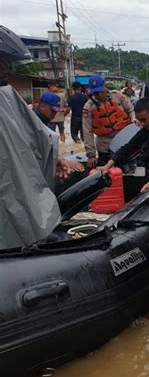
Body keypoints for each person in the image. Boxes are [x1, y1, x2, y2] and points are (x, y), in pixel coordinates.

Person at [0, 30, 83, 249]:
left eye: (7, 64)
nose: (6, 70)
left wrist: (54, 157)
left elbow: (30, 137)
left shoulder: (7, 96)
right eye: (2, 63)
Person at [97, 97, 149, 192]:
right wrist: (108, 165)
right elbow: (128, 147)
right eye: (139, 120)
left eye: (144, 120)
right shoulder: (146, 130)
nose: (142, 124)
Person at [82, 75, 135, 169]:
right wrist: (91, 155)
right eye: (96, 92)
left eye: (101, 91)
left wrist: (134, 119)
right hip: (104, 147)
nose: (99, 95)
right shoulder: (88, 107)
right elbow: (87, 131)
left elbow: (130, 110)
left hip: (124, 142)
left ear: (105, 86)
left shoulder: (118, 96)